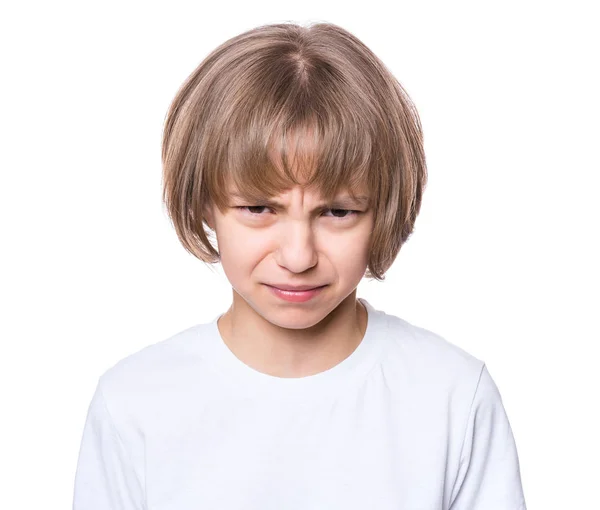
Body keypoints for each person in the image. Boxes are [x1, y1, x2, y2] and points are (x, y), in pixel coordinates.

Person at [72, 21, 527, 510]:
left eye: (337, 212)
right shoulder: (135, 404)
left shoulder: (452, 396)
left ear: (382, 211)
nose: (297, 256)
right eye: (258, 209)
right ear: (206, 203)